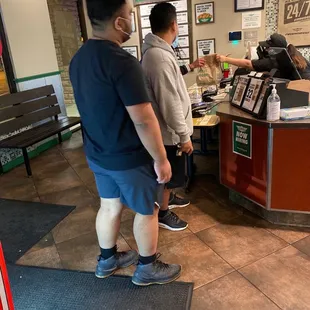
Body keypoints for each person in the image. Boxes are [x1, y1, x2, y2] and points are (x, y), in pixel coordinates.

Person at [69, 0, 181, 286]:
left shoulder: (78, 59)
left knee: (109, 205)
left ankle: (107, 260)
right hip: (129, 156)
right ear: (119, 22)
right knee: (148, 209)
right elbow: (143, 119)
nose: (132, 20)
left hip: (97, 154)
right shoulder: (122, 61)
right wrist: (161, 159)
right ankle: (147, 267)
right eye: (130, 14)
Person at [142, 3, 194, 231]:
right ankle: (163, 213)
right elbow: (169, 102)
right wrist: (184, 135)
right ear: (174, 24)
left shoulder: (160, 52)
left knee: (172, 175)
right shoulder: (159, 57)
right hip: (168, 133)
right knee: (168, 173)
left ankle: (169, 199)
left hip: (169, 131)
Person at [216, 33, 310, 80]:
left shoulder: (277, 59)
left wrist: (225, 59)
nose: (266, 49)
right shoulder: (296, 55)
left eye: (267, 47)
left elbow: (247, 64)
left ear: (274, 49)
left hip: (302, 91)